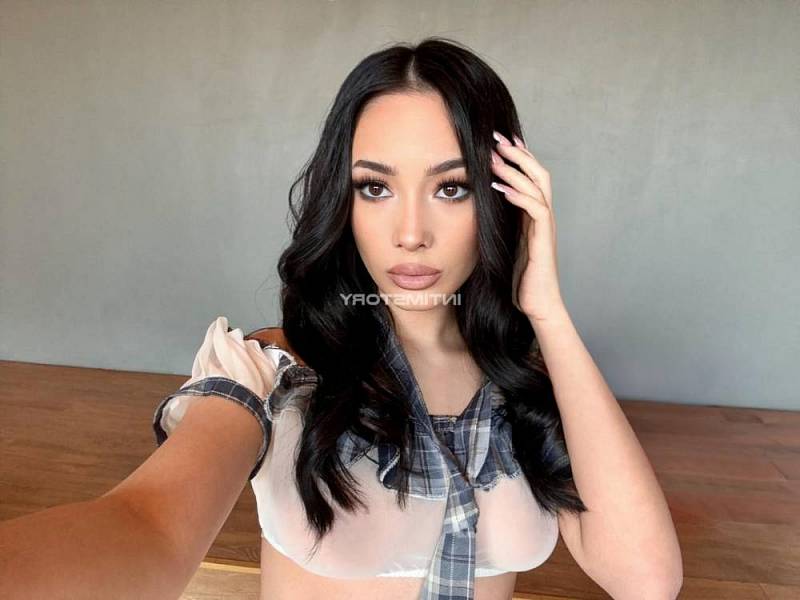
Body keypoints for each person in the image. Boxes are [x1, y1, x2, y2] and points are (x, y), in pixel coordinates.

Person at [0, 37, 682, 600]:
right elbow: (145, 525)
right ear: (343, 200)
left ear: (503, 199)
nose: (410, 233)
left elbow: (646, 582)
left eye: (451, 188)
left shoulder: (528, 385)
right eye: (375, 187)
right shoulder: (276, 372)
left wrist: (548, 313)